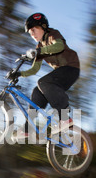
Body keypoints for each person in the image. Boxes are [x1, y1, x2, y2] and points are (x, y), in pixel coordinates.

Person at [8, 12, 80, 140]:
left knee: (43, 82)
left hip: (71, 68)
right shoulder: (39, 46)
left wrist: (39, 52)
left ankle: (65, 117)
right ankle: (27, 129)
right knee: (37, 92)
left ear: (43, 26)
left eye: (34, 30)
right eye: (30, 34)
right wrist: (19, 73)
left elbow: (59, 46)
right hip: (61, 74)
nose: (33, 35)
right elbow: (34, 69)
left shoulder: (52, 34)